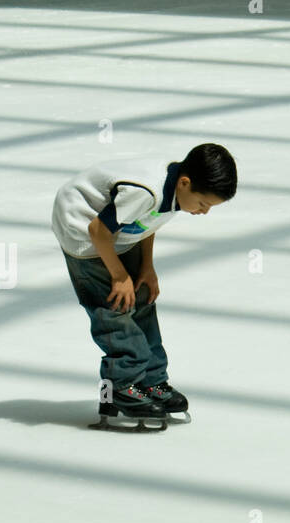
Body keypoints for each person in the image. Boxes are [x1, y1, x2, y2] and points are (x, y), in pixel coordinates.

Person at [51, 143, 237, 425]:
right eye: (203, 204)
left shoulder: (177, 191)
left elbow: (147, 222)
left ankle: (151, 381)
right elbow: (98, 230)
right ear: (186, 183)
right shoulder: (147, 191)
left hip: (119, 233)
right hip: (85, 231)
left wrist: (146, 267)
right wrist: (118, 275)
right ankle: (120, 389)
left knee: (143, 298)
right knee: (115, 310)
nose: (204, 212)